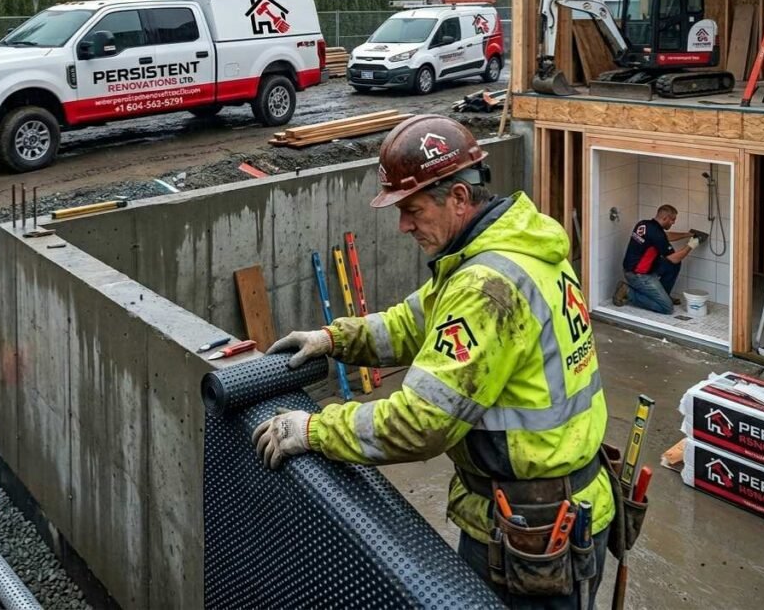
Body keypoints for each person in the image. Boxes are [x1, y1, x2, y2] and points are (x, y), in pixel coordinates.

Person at [253, 115, 616, 608]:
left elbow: (420, 423)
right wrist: (333, 338)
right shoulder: (511, 250)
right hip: (555, 505)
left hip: (533, 530)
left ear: (460, 199)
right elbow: (410, 323)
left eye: (413, 209)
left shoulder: (486, 287)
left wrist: (315, 430)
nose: (403, 225)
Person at [613, 204, 700, 314]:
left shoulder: (644, 224)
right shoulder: (657, 234)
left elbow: (665, 236)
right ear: (665, 218)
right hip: (638, 275)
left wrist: (687, 234)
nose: (673, 223)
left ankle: (664, 296)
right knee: (667, 308)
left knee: (672, 266)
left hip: (634, 267)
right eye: (672, 220)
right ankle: (628, 292)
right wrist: (691, 245)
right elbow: (674, 259)